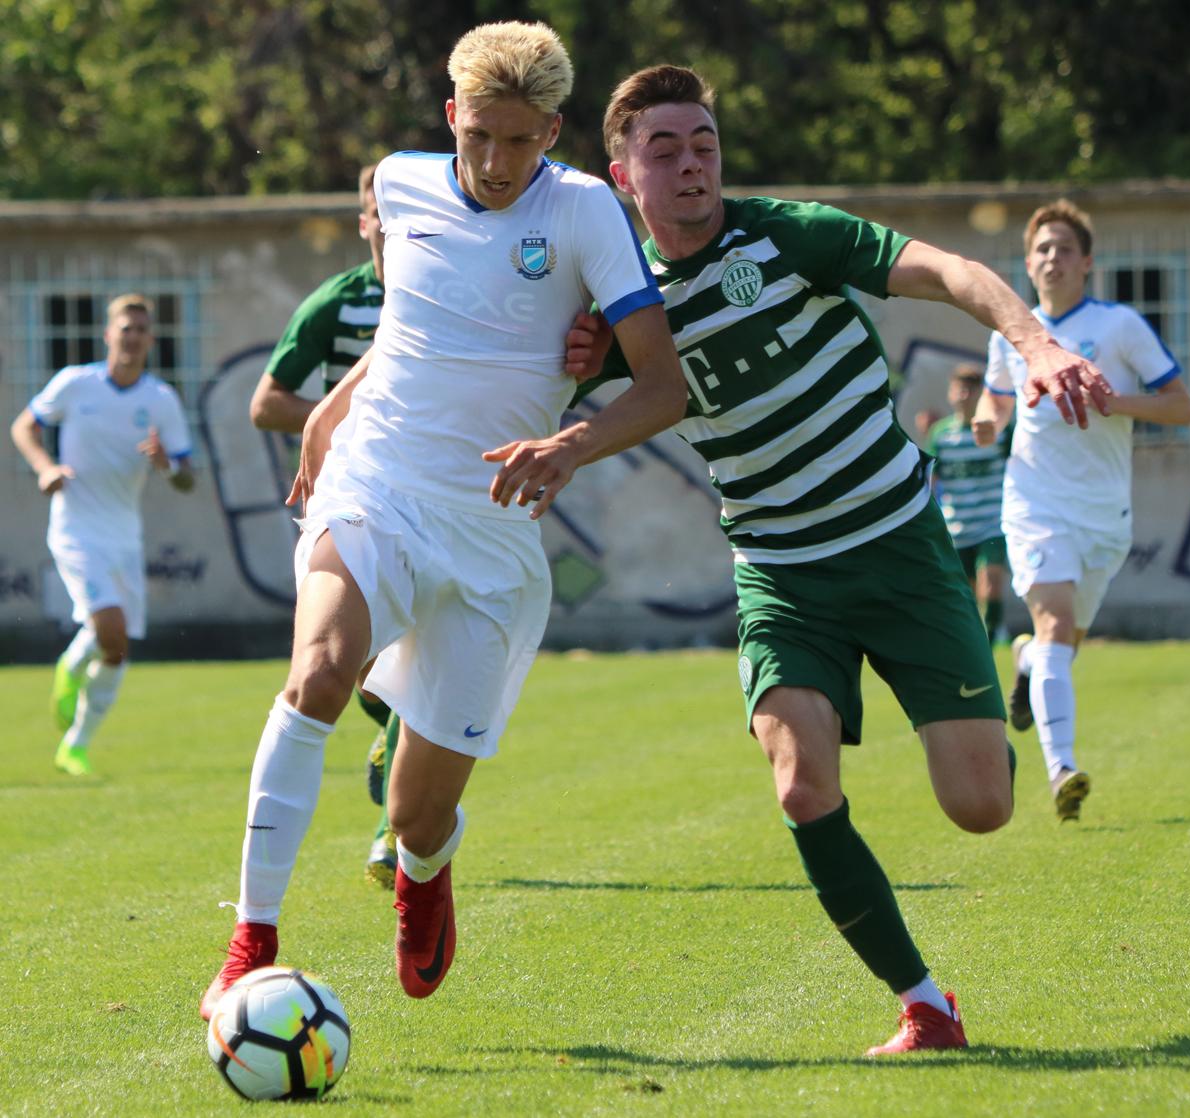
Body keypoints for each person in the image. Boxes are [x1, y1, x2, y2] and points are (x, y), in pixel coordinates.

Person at [569, 64, 1112, 1055]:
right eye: (665, 149)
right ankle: (925, 1005)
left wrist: (1034, 343)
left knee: (982, 806)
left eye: (704, 144)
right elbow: (504, 369)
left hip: (899, 546)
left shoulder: (790, 234)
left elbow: (953, 271)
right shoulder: (625, 308)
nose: (691, 165)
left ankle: (999, 701)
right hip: (782, 575)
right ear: (621, 176)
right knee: (799, 784)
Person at [199, 21, 687, 1020]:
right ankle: (251, 941)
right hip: (376, 489)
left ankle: (426, 866)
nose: (499, 163)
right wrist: (332, 411)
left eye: (522, 142)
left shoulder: (587, 212)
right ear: (451, 113)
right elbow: (408, 325)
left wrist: (569, 444)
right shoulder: (399, 183)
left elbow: (664, 386)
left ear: (554, 131)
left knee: (415, 812)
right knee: (318, 674)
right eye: (480, 137)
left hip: (491, 537)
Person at [974, 199, 1190, 822]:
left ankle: (1024, 661)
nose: (1053, 258)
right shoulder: (1010, 334)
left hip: (1104, 515)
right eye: (1042, 249)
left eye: (1065, 248)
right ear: (1028, 264)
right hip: (1035, 503)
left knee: (1063, 642)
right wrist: (986, 422)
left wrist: (1114, 402)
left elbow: (1181, 407)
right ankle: (1061, 771)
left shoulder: (1119, 326)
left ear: (1087, 263)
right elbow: (995, 402)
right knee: (1055, 625)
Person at [247, 162, 399, 889]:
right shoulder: (338, 302)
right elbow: (266, 403)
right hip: (352, 501)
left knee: (415, 668)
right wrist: (341, 419)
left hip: (434, 502)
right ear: (363, 221)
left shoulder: (456, 286)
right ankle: (392, 748)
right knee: (358, 672)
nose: (390, 220)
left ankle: (393, 833)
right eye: (377, 208)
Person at [10, 293, 194, 775]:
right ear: (109, 334)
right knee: (109, 626)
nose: (132, 337)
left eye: (141, 330)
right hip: (75, 530)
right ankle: (72, 673)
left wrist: (166, 465)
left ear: (151, 340)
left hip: (125, 536)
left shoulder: (160, 399)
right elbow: (24, 427)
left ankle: (75, 743)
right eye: (125, 329)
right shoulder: (75, 384)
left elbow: (187, 477)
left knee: (116, 649)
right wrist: (46, 468)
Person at [926, 363, 1011, 645]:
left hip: (992, 522)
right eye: (959, 388)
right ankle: (971, 640)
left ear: (980, 393)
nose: (964, 394)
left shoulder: (998, 430)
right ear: (950, 393)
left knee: (992, 580)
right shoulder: (941, 434)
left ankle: (992, 637)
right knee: (966, 593)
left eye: (970, 389)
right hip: (958, 527)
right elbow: (931, 481)